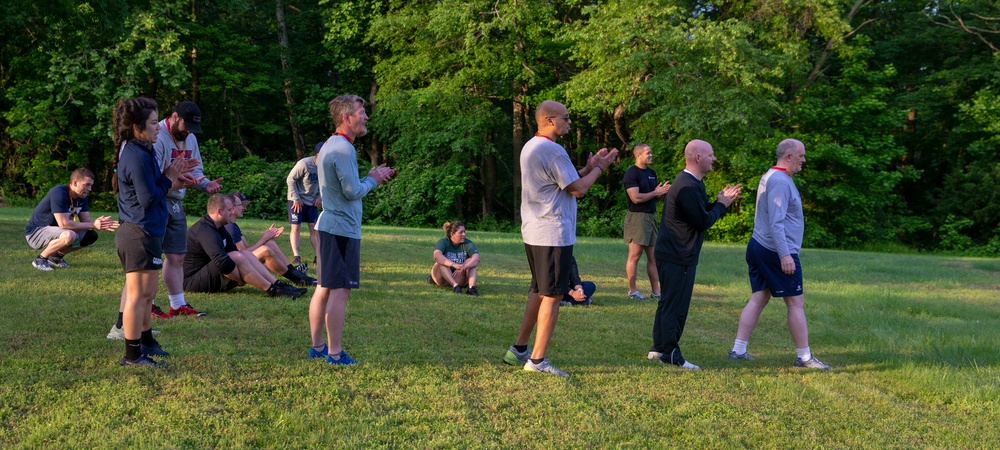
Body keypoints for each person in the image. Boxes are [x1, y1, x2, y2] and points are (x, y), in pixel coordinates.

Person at [501, 100, 618, 377]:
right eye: (566, 118)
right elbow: (577, 190)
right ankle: (538, 361)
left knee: (538, 290)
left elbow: (564, 181)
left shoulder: (532, 145)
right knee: (552, 295)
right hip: (552, 233)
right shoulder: (553, 150)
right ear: (550, 120)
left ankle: (519, 349)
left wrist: (589, 167)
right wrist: (600, 168)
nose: (569, 122)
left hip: (534, 230)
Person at [307, 94, 395, 365]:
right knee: (339, 290)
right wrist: (373, 180)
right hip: (341, 230)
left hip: (330, 226)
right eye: (361, 112)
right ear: (347, 117)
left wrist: (368, 177)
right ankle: (334, 353)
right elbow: (351, 191)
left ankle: (318, 347)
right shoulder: (343, 148)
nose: (366, 117)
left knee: (324, 286)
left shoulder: (332, 145)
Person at [729, 139, 830, 370]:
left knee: (759, 297)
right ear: (788, 156)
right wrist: (785, 255)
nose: (804, 160)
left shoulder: (772, 176)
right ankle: (804, 357)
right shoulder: (781, 182)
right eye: (801, 156)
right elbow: (776, 223)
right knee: (796, 301)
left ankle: (738, 350)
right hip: (775, 249)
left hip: (760, 245)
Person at [112, 96, 197, 366]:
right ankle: (133, 354)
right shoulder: (136, 155)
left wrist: (170, 176)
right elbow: (148, 198)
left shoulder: (142, 149)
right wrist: (169, 179)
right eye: (152, 122)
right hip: (138, 233)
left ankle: (146, 342)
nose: (158, 127)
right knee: (138, 297)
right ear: (138, 127)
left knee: (147, 294)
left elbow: (152, 188)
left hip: (145, 231)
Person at [648, 139, 741, 370]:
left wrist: (717, 203)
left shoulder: (692, 183)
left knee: (668, 302)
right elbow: (702, 222)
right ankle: (670, 354)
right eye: (711, 155)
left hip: (674, 253)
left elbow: (697, 213)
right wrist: (722, 205)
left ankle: (658, 348)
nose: (714, 159)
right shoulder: (688, 186)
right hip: (678, 254)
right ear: (698, 157)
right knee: (675, 305)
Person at [151, 100, 223, 318]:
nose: (189, 132)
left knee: (177, 255)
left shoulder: (190, 138)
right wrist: (178, 179)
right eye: (186, 126)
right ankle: (150, 304)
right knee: (152, 256)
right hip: (157, 199)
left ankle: (178, 304)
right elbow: (155, 175)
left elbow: (196, 167)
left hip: (175, 201)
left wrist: (205, 183)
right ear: (174, 117)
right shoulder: (158, 136)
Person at [183, 194, 306, 299]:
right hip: (192, 281)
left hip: (209, 273)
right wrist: (240, 279)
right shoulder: (205, 231)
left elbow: (235, 251)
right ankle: (273, 290)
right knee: (236, 256)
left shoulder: (219, 227)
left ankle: (278, 284)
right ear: (219, 211)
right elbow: (222, 262)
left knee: (245, 254)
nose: (232, 212)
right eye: (229, 210)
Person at [25, 167, 119, 271]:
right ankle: (40, 259)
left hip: (57, 231)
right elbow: (64, 224)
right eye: (87, 185)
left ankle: (55, 257)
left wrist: (102, 224)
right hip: (36, 232)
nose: (90, 189)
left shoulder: (82, 197)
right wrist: (93, 225)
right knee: (70, 235)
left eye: (91, 185)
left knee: (90, 236)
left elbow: (86, 222)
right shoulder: (59, 193)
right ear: (75, 183)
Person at [226, 191, 316, 286]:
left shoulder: (233, 225)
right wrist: (263, 239)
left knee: (270, 244)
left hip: (242, 260)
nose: (244, 208)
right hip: (238, 267)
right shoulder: (230, 227)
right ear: (232, 207)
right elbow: (243, 253)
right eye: (241, 205)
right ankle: (298, 279)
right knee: (265, 250)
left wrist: (267, 238)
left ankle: (296, 272)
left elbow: (246, 248)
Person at [622, 143, 670, 300]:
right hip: (637, 217)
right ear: (638, 155)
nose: (651, 155)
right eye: (648, 153)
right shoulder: (631, 173)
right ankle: (632, 292)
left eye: (651, 153)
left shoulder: (651, 173)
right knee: (635, 256)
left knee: (654, 257)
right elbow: (635, 198)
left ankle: (656, 292)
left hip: (650, 217)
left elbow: (652, 197)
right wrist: (655, 192)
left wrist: (661, 193)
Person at [286, 142, 322, 272]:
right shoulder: (304, 164)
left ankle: (318, 256)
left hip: (311, 200)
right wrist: (296, 198)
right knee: (296, 226)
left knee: (314, 227)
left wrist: (320, 197)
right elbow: (290, 179)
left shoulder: (326, 166)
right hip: (296, 199)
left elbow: (327, 184)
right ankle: (296, 256)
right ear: (317, 154)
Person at [429, 221, 480, 296]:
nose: (464, 234)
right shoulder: (444, 242)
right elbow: (437, 256)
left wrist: (464, 266)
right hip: (442, 278)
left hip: (459, 276)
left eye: (464, 232)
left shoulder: (467, 243)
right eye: (461, 232)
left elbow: (476, 258)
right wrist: (454, 264)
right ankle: (456, 287)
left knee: (470, 262)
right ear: (452, 234)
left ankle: (471, 288)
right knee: (441, 263)